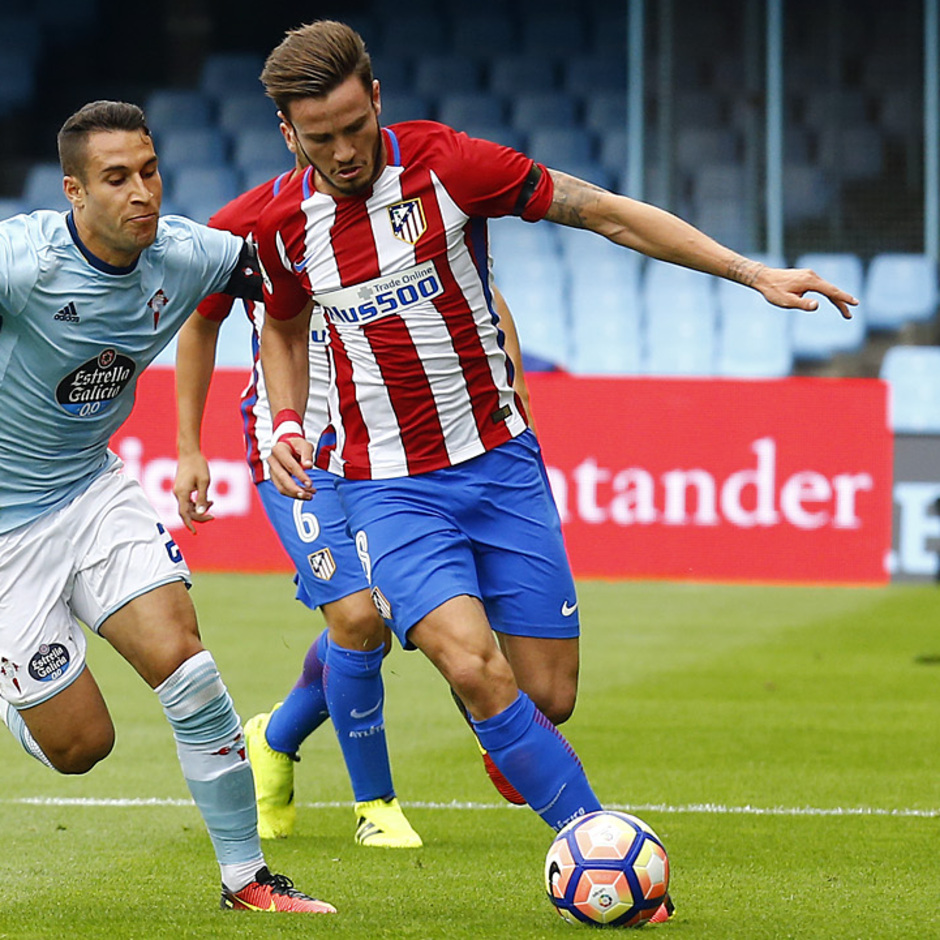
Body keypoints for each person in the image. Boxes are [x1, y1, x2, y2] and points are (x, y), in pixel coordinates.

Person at [253, 19, 857, 920]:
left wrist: (746, 271)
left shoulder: (453, 168)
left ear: (376, 99)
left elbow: (605, 212)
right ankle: (599, 846)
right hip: (387, 485)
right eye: (321, 137)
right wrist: (288, 420)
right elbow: (282, 324)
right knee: (471, 663)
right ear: (288, 134)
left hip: (500, 467)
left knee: (547, 696)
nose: (344, 151)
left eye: (354, 126)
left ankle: (474, 696)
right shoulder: (280, 224)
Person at [0, 99, 335, 914]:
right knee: (83, 747)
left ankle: (246, 880)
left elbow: (283, 280)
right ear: (75, 192)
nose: (142, 191)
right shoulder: (23, 263)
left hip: (88, 487)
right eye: (117, 178)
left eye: (148, 171)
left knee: (187, 665)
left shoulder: (188, 254)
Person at [173, 111, 539, 843]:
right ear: (291, 135)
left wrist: (513, 388)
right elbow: (201, 320)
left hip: (391, 448)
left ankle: (274, 737)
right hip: (299, 448)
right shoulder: (255, 223)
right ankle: (375, 807)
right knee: (356, 618)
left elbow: (480, 297)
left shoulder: (414, 201)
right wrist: (187, 444)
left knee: (377, 619)